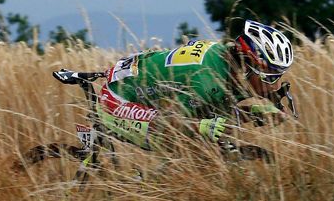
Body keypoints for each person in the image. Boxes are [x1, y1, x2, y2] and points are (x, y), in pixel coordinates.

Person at [96, 20, 295, 150]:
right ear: (248, 64)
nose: (273, 85)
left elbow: (216, 108)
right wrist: (202, 126)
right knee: (185, 144)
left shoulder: (225, 58)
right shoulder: (205, 79)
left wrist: (253, 112)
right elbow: (168, 124)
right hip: (117, 98)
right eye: (270, 77)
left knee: (207, 132)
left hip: (132, 75)